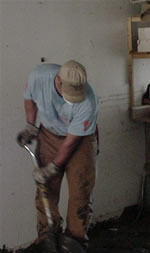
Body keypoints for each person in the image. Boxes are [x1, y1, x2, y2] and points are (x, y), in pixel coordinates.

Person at [16, 60, 99, 251]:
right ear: (58, 81)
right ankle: (47, 239)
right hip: (49, 134)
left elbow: (70, 143)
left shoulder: (89, 102)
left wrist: (53, 167)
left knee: (81, 193)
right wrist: (30, 125)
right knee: (46, 190)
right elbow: (29, 98)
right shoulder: (39, 76)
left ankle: (75, 242)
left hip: (80, 141)